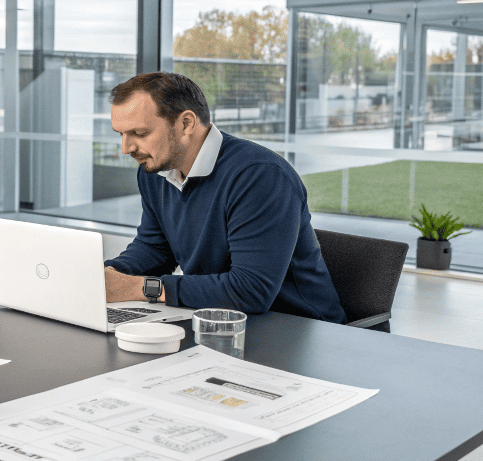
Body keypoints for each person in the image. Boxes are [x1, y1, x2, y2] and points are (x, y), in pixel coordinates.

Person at [103, 72, 346, 323]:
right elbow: (154, 250)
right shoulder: (155, 171)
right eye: (120, 134)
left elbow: (250, 291)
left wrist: (139, 288)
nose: (126, 148)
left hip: (298, 329)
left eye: (139, 134)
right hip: (219, 321)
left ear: (186, 123)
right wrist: (105, 276)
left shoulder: (260, 176)